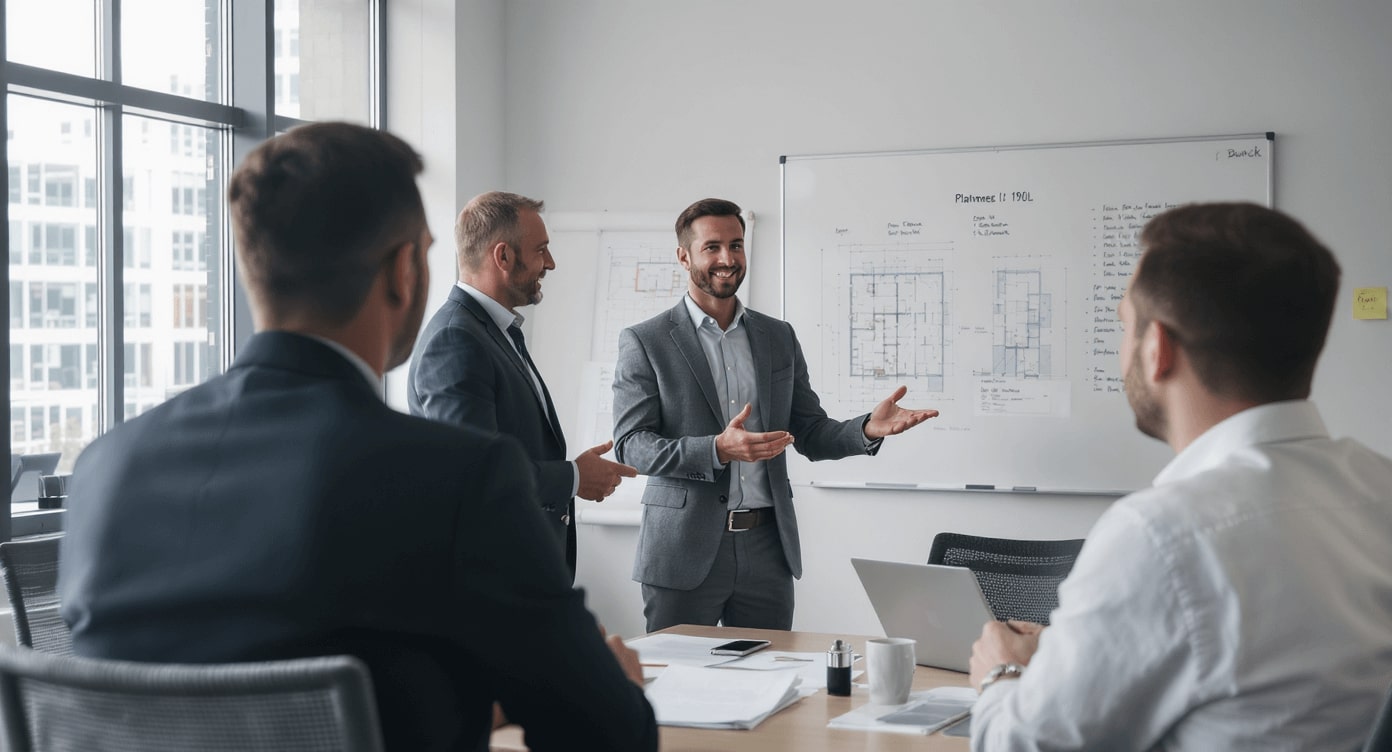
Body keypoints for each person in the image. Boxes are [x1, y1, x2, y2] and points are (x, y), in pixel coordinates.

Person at [58, 123, 657, 752]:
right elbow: (607, 734)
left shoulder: (105, 471)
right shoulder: (458, 477)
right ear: (403, 270)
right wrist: (611, 687)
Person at [968, 202, 1392, 750]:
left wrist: (1001, 674)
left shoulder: (1162, 535)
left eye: (1124, 325)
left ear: (1156, 349)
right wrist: (1078, 650)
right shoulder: (1378, 487)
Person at [612, 197, 939, 632]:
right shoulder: (646, 341)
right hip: (683, 549)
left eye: (736, 245)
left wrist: (865, 429)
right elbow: (631, 446)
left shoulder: (777, 336)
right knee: (679, 683)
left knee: (770, 679)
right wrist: (716, 450)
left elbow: (808, 431)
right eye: (712, 247)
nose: (727, 259)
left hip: (768, 547)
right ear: (683, 256)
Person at [408, 191, 636, 577]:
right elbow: (475, 475)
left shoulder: (495, 332)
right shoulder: (455, 340)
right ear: (503, 257)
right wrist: (575, 476)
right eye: (542, 249)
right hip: (489, 579)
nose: (550, 263)